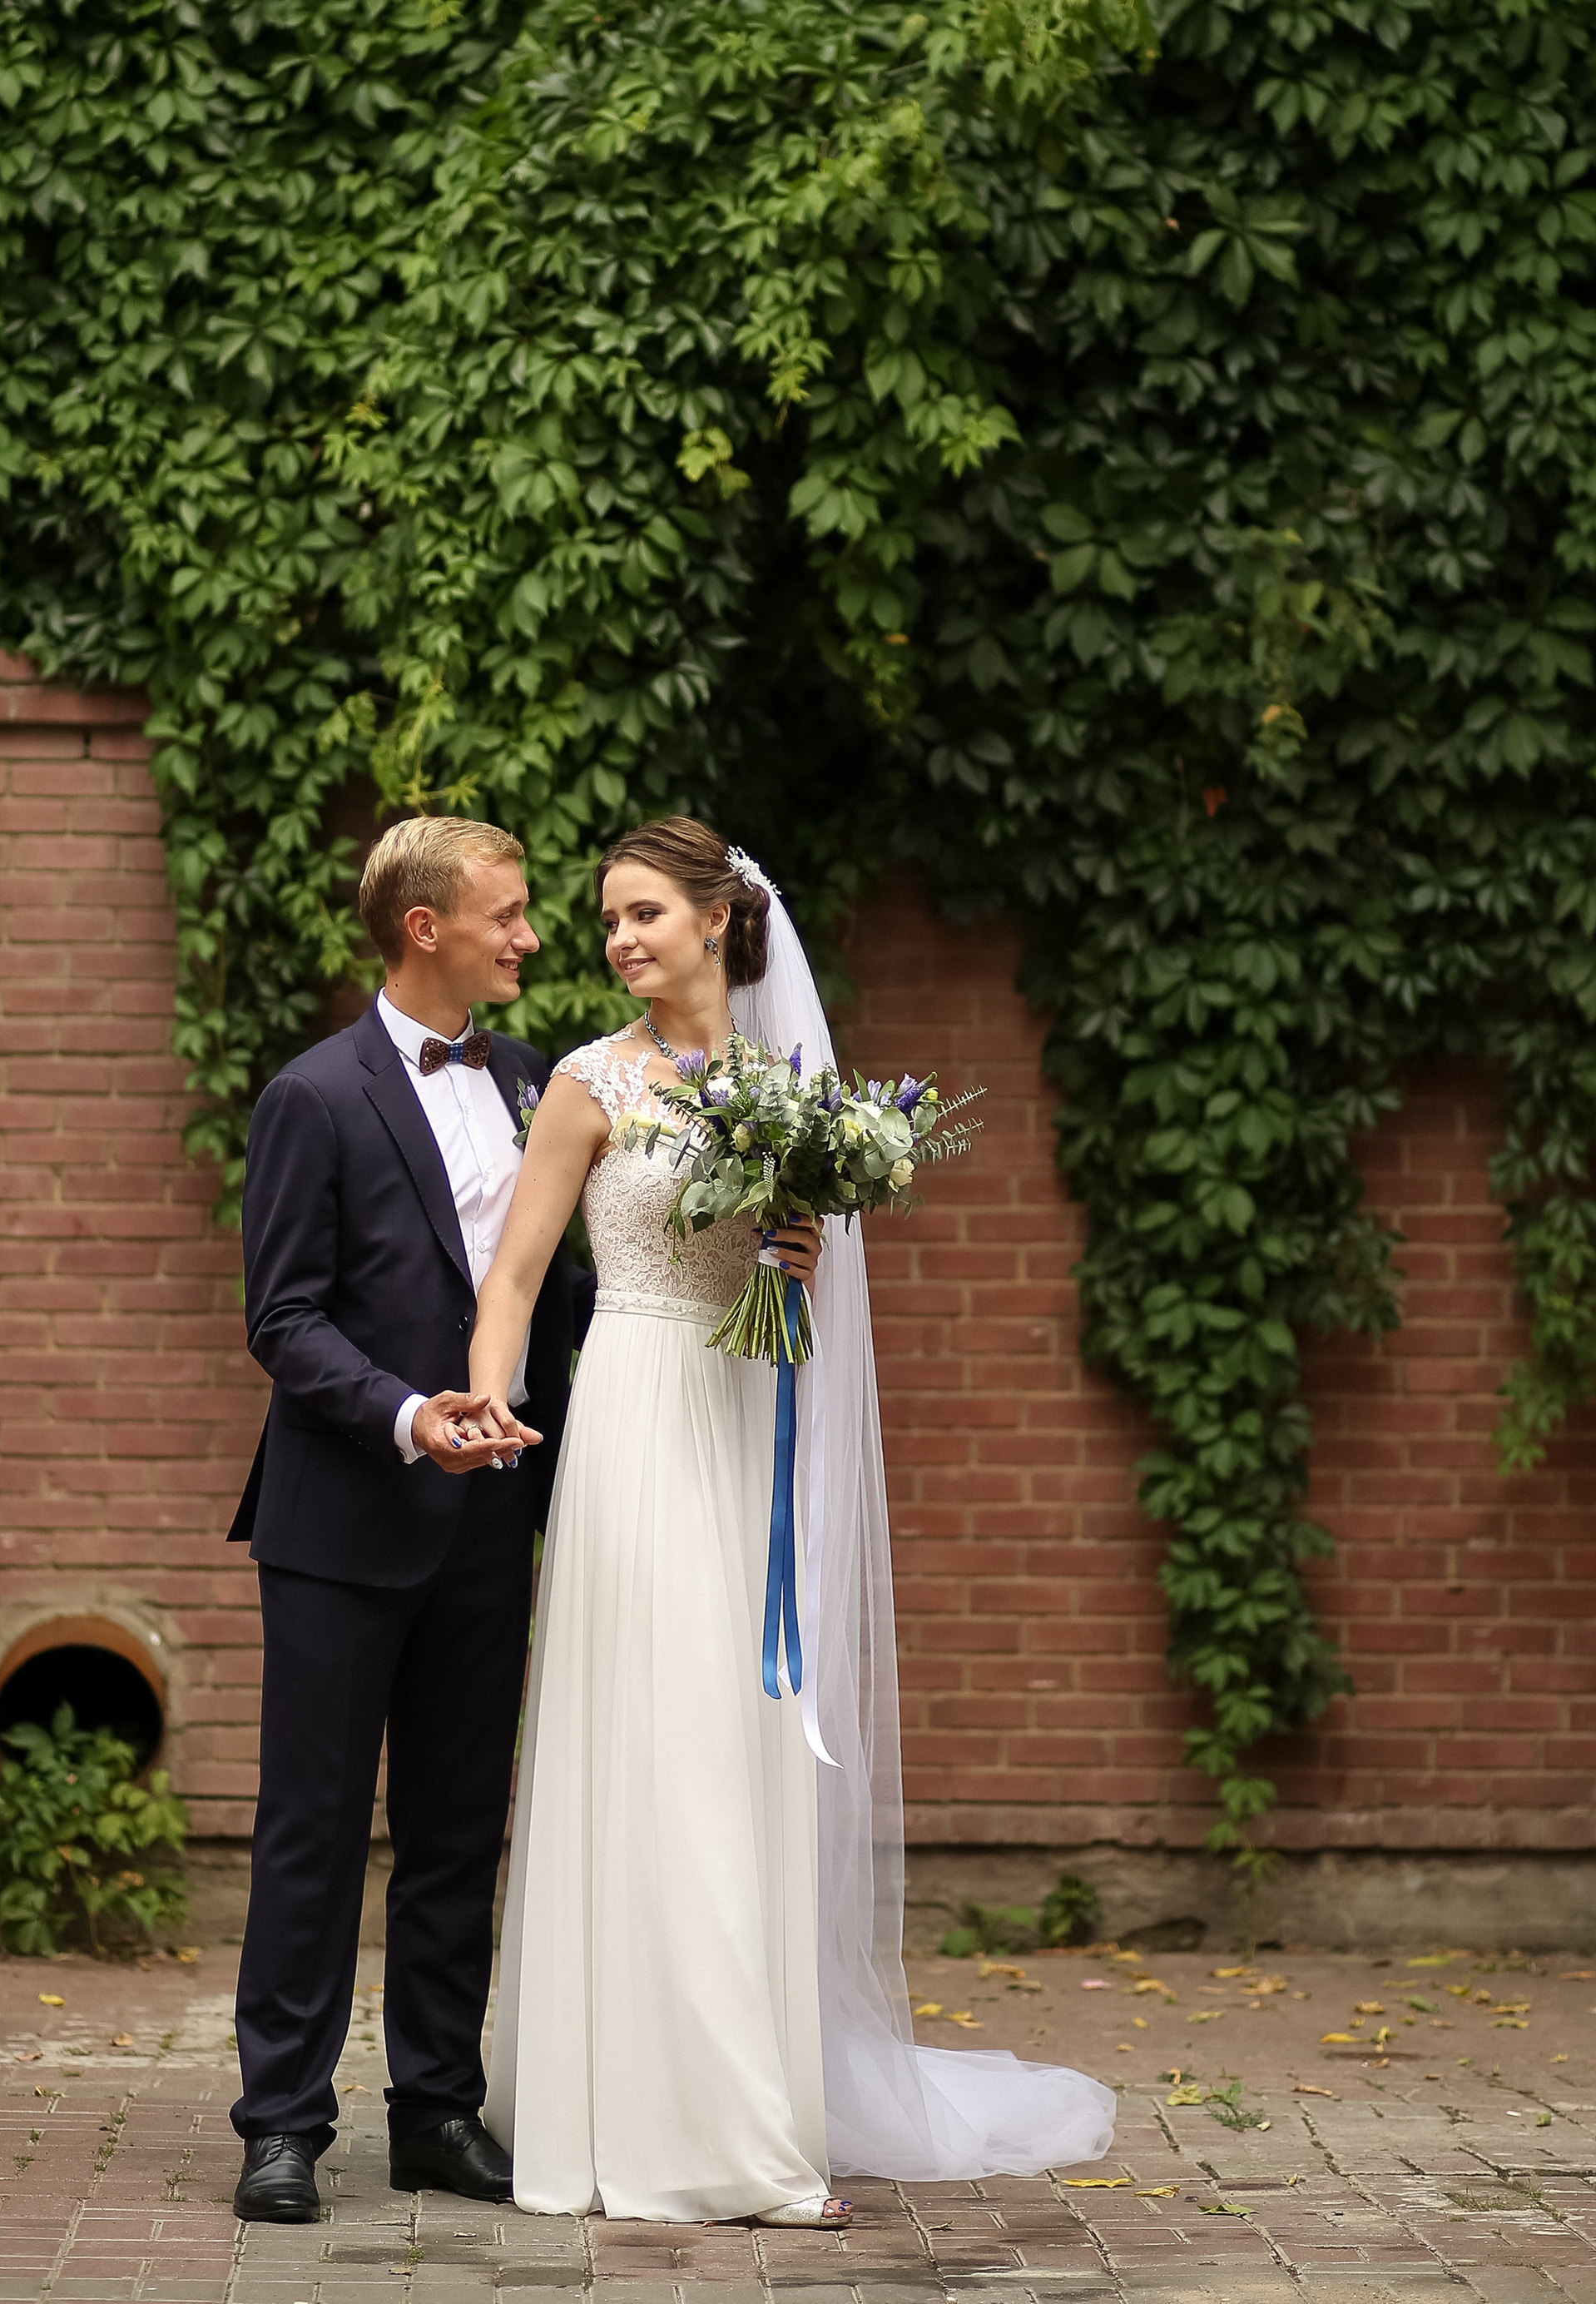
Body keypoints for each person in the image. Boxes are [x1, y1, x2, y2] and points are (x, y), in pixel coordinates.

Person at [465, 816, 1115, 2223]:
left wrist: (798, 1257)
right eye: (606, 922)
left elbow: (810, 1316)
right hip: (633, 1418)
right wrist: (490, 1404)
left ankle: (742, 2111)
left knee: (730, 1752)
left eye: (644, 914)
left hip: (745, 1423)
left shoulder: (797, 1095)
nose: (621, 941)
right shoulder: (586, 1083)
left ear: (718, 919)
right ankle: (629, 2114)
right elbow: (515, 1278)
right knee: (645, 1745)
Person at [224, 817, 581, 2227]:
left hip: (492, 1522)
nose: (532, 936)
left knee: (455, 1830)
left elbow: (563, 1290)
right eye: (507, 914)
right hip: (340, 1522)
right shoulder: (311, 1097)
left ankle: (437, 2109)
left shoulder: (545, 1084)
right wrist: (404, 1413)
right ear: (424, 927)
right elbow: (283, 1319)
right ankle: (281, 2126)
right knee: (309, 1829)